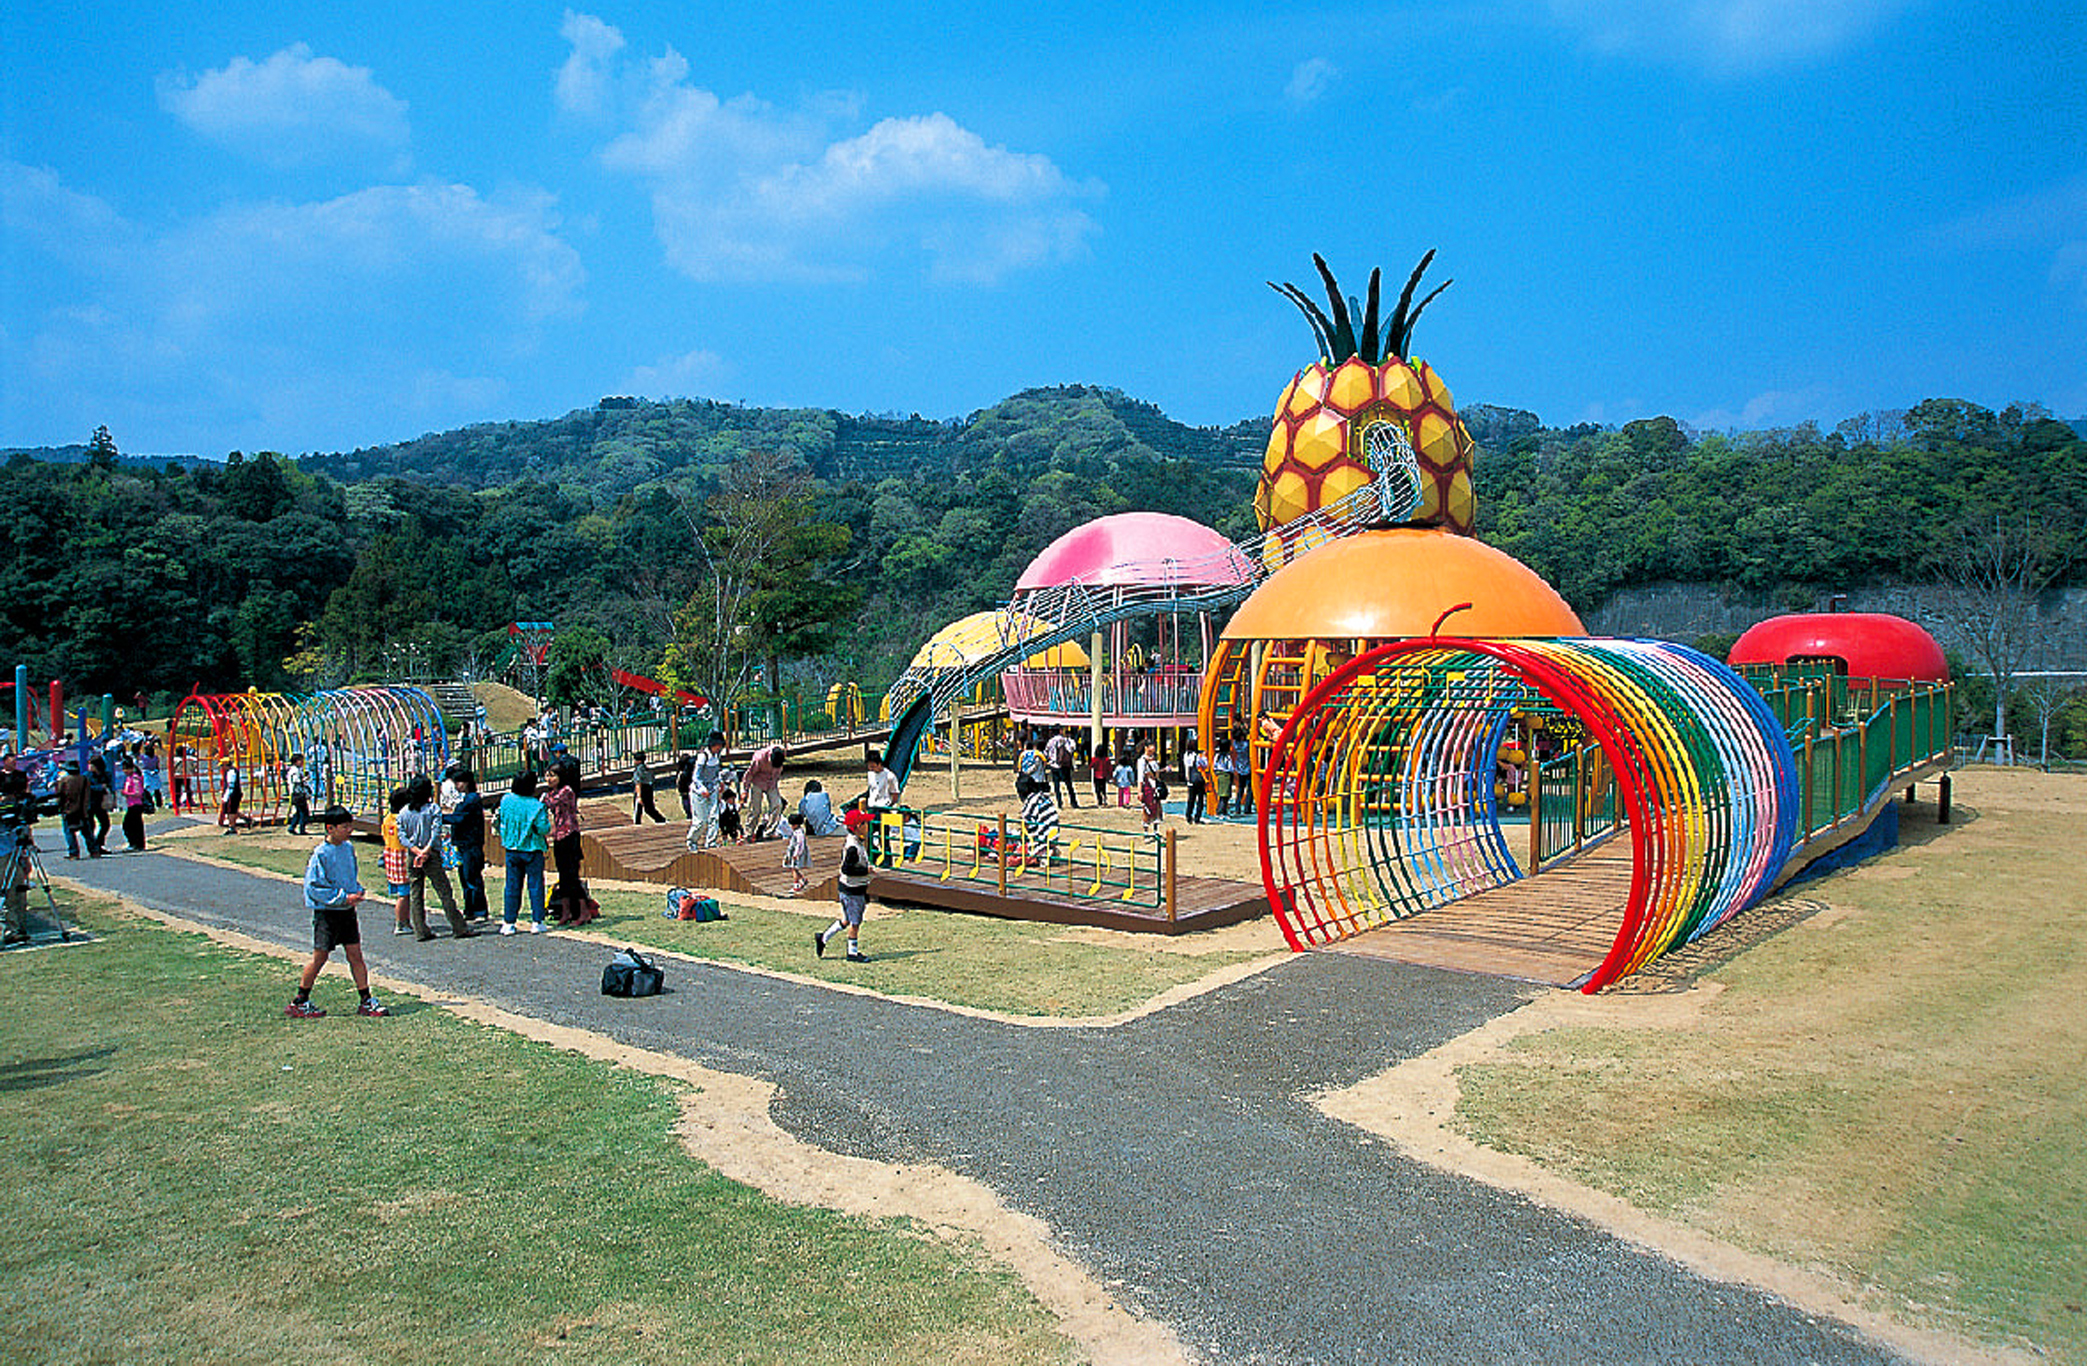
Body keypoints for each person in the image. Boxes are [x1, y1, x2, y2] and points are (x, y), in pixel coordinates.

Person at [287, 805, 388, 1018]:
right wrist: (342, 897)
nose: (349, 830)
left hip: (346, 911)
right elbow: (314, 888)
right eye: (344, 827)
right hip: (327, 913)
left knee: (355, 955)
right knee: (320, 956)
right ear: (330, 828)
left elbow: (350, 876)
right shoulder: (321, 854)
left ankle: (366, 1000)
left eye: (350, 826)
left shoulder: (348, 848)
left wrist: (356, 890)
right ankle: (300, 1001)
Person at [400, 776, 473, 941]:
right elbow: (435, 832)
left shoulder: (404, 812)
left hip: (413, 854)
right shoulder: (433, 809)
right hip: (431, 854)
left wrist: (416, 850)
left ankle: (420, 930)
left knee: (416, 892)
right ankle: (459, 927)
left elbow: (402, 835)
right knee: (444, 891)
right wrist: (426, 850)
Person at [815, 808, 873, 962]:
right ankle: (852, 953)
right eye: (865, 823)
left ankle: (823, 937)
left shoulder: (854, 841)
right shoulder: (853, 847)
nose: (868, 826)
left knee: (846, 920)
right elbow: (847, 869)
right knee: (855, 923)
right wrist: (865, 871)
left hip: (849, 888)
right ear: (858, 826)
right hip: (852, 890)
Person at [498, 769, 551, 934]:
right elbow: (543, 828)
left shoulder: (506, 800)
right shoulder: (537, 805)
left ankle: (509, 922)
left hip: (511, 848)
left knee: (512, 886)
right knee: (535, 885)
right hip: (532, 849)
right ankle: (537, 921)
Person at [542, 766, 595, 926]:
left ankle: (584, 912)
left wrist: (543, 799)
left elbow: (553, 802)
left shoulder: (566, 791)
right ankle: (566, 912)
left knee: (572, 875)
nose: (549, 779)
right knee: (563, 875)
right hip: (558, 835)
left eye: (553, 776)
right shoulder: (550, 793)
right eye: (547, 776)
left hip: (570, 835)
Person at [445, 767, 490, 923]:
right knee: (465, 878)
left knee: (472, 877)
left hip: (471, 844)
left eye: (459, 782)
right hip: (463, 844)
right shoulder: (465, 799)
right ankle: (469, 909)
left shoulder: (472, 800)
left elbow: (458, 818)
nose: (457, 786)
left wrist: (439, 817)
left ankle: (479, 910)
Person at [686, 731, 727, 850]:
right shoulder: (703, 756)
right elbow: (696, 777)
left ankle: (711, 842)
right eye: (717, 745)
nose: (718, 748)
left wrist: (720, 782)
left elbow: (716, 772)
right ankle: (692, 841)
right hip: (699, 792)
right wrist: (702, 789)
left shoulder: (717, 756)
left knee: (714, 817)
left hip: (712, 789)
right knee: (701, 821)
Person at [380, 788, 413, 934]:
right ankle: (400, 923)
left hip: (390, 856)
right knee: (404, 895)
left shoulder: (387, 819)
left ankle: (405, 921)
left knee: (402, 893)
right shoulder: (402, 819)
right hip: (402, 858)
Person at [742, 742, 787, 841]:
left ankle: (769, 832)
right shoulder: (759, 758)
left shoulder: (782, 753)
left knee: (777, 805)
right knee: (755, 810)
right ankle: (748, 834)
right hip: (758, 782)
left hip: (772, 783)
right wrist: (745, 790)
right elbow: (749, 774)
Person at [55, 760, 97, 859]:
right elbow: (87, 795)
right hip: (82, 809)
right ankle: (94, 851)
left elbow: (60, 796)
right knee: (87, 832)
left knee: (69, 832)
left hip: (69, 809)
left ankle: (74, 853)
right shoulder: (84, 779)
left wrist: (60, 807)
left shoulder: (64, 781)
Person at [1045, 725, 1079, 808]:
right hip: (1063, 765)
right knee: (1068, 784)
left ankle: (1059, 802)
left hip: (1053, 765)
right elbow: (1070, 750)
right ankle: (1073, 802)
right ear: (1060, 731)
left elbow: (1046, 752)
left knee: (1056, 785)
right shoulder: (1064, 740)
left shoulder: (1050, 741)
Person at [119, 757, 148, 852]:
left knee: (129, 825)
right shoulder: (129, 778)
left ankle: (135, 843)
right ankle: (136, 844)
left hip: (136, 804)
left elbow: (138, 792)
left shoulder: (135, 778)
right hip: (131, 804)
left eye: (126, 769)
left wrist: (126, 793)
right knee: (133, 825)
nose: (124, 771)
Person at [631, 750, 666, 824]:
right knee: (649, 808)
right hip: (648, 789)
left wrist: (639, 796)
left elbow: (638, 783)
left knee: (638, 809)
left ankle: (637, 823)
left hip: (642, 789)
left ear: (639, 761)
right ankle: (660, 819)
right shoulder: (647, 769)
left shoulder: (638, 770)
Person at [1182, 740, 1210, 825]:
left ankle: (1188, 816)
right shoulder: (1197, 756)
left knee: (1191, 799)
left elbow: (1187, 767)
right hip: (1198, 780)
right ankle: (1197, 817)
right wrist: (1204, 756)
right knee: (1200, 799)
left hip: (1190, 779)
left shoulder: (1186, 755)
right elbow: (1204, 765)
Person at [783, 811, 810, 895]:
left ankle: (796, 885)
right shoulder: (797, 832)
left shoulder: (799, 833)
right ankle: (803, 879)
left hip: (796, 853)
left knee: (793, 868)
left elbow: (800, 844)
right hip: (793, 852)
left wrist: (796, 854)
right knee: (794, 868)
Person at [285, 753, 312, 835]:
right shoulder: (295, 771)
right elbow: (297, 782)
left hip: (296, 793)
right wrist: (305, 779)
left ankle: (292, 827)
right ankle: (302, 829)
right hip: (297, 794)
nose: (302, 762)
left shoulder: (296, 770)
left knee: (298, 812)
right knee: (304, 812)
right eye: (301, 760)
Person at [217, 761, 242, 833]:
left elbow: (231, 785)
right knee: (232, 810)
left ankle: (232, 827)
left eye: (222, 766)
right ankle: (247, 820)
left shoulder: (231, 772)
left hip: (232, 794)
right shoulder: (231, 771)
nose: (222, 768)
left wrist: (226, 796)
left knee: (231, 811)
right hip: (233, 793)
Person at [1089, 743, 1113, 807]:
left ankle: (1100, 800)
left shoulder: (1094, 759)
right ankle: (1104, 798)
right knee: (1103, 788)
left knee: (1097, 789)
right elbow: (1110, 768)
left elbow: (1091, 766)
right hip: (1104, 775)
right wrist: (1110, 775)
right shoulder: (1106, 759)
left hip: (1096, 775)